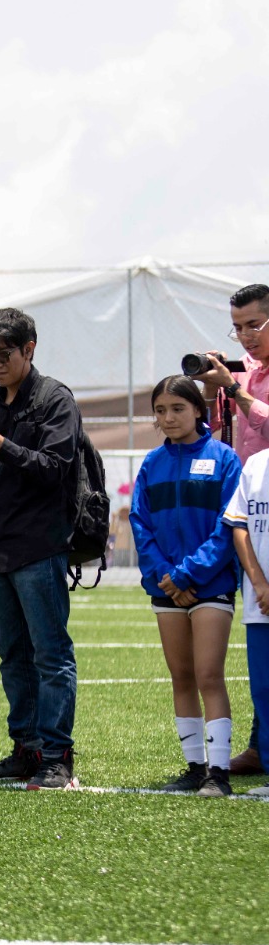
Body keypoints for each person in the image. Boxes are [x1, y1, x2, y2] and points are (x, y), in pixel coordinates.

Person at [0, 307, 82, 790]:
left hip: (41, 546)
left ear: (29, 348)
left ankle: (57, 755)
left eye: (3, 354)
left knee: (51, 655)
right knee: (12, 656)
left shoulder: (55, 400)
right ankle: (26, 749)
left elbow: (54, 466)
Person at [131, 377, 240, 796]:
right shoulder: (152, 464)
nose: (168, 417)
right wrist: (165, 575)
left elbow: (228, 526)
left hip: (208, 584)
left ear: (198, 410)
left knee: (209, 674)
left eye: (177, 408)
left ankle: (219, 773)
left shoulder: (224, 459)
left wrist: (186, 574)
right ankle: (195, 767)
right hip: (166, 587)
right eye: (160, 410)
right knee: (181, 676)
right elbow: (140, 524)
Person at [196, 283, 269, 774]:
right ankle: (262, 743)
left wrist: (237, 390)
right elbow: (218, 437)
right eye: (237, 327)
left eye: (254, 325)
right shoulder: (248, 373)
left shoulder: (248, 381)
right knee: (259, 638)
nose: (244, 336)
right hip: (250, 508)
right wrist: (212, 393)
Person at [225, 445, 269, 797]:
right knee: (264, 690)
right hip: (261, 604)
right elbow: (239, 526)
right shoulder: (256, 464)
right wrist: (259, 584)